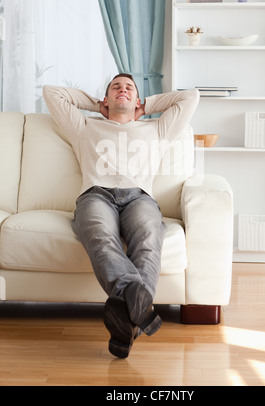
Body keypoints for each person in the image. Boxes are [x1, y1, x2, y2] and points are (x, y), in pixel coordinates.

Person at [43, 74, 199, 358]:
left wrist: (147, 104)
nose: (122, 90)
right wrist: (96, 106)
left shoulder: (158, 128)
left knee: (150, 238)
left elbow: (191, 96)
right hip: (96, 195)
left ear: (137, 99)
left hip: (139, 197)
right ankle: (136, 304)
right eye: (116, 87)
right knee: (101, 237)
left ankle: (126, 323)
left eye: (129, 88)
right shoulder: (84, 127)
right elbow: (52, 92)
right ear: (107, 98)